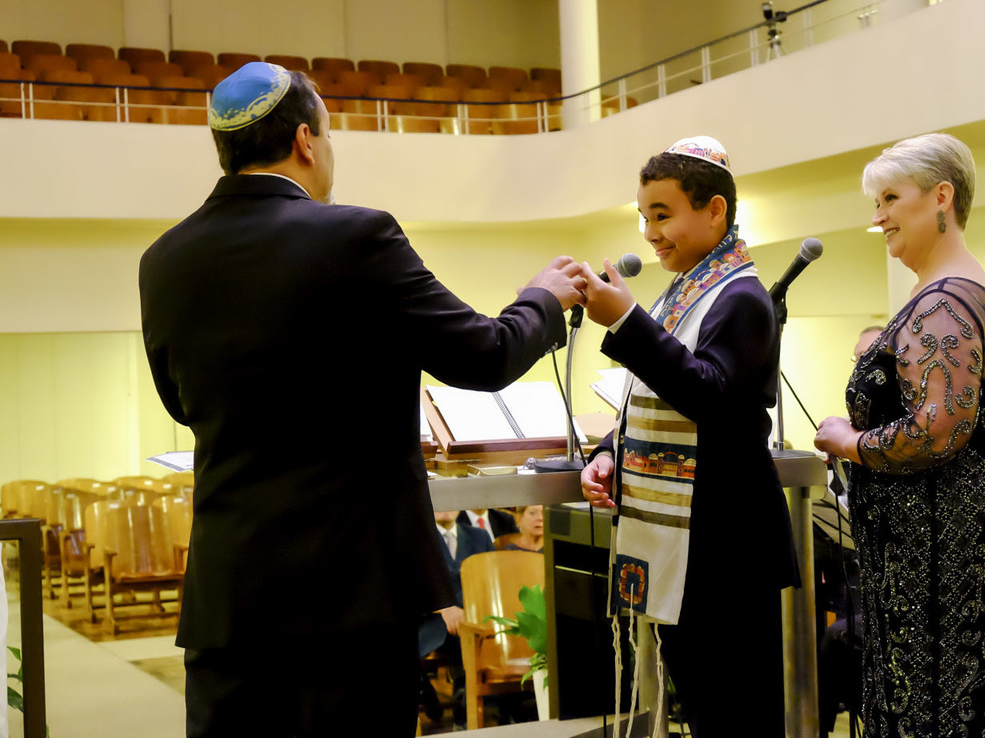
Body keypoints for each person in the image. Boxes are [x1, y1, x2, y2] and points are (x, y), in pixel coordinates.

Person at [138, 62, 585, 738]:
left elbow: (181, 403)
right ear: (306, 143)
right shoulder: (356, 236)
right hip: (349, 600)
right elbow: (486, 355)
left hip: (230, 600)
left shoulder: (163, 260)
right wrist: (542, 301)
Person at [578, 136, 798, 737]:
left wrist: (626, 321)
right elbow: (646, 403)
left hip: (727, 546)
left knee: (737, 717)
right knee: (704, 713)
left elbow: (710, 397)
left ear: (716, 211)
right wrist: (607, 453)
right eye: (645, 217)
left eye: (663, 215)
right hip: (691, 544)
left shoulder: (744, 297)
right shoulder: (683, 291)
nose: (650, 232)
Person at [814, 133, 985, 738]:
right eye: (874, 202)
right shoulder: (950, 290)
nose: (877, 216)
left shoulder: (945, 301)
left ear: (942, 196)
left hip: (944, 550)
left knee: (936, 719)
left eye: (889, 198)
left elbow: (937, 431)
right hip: (933, 544)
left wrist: (848, 441)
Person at [417, 511, 495, 727]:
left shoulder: (480, 536)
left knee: (471, 636)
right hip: (431, 618)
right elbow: (408, 583)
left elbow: (491, 580)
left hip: (473, 617)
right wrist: (443, 608)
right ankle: (424, 689)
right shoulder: (418, 536)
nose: (446, 508)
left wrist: (470, 612)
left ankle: (465, 698)